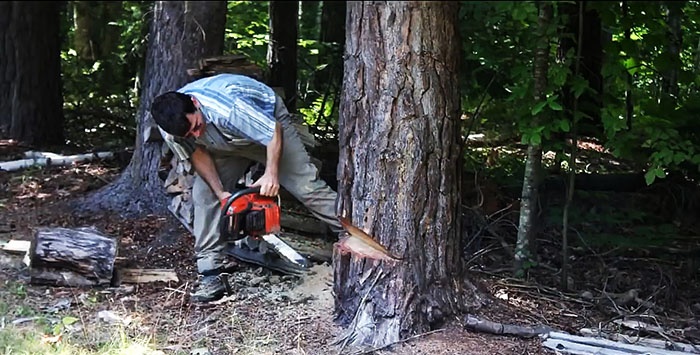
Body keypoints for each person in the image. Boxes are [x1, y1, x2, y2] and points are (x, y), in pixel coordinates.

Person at [150, 73, 342, 302]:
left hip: (267, 125)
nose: (196, 134)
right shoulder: (173, 130)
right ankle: (210, 272)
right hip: (222, 141)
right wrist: (221, 193)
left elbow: (272, 132)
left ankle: (351, 235)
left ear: (195, 103)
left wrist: (271, 174)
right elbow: (198, 152)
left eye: (195, 126)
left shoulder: (228, 108)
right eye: (189, 134)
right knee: (204, 194)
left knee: (306, 186)